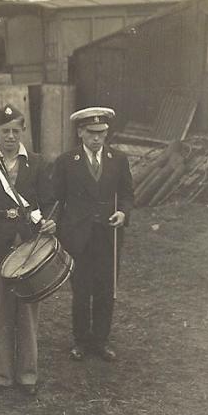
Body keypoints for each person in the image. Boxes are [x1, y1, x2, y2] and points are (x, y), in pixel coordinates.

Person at [0, 105, 56, 396]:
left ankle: (28, 375)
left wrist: (48, 224)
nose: (9, 136)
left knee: (28, 312)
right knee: (1, 312)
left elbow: (48, 202)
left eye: (15, 131)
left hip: (29, 248)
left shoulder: (37, 163)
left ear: (22, 132)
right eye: (4, 130)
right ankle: (2, 374)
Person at [51, 107, 134, 362]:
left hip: (108, 236)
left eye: (102, 133)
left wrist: (122, 213)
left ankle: (100, 340)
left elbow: (128, 194)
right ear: (80, 133)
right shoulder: (67, 161)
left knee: (105, 289)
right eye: (92, 133)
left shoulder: (118, 159)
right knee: (81, 290)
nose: (97, 138)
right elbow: (56, 198)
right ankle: (80, 340)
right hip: (78, 236)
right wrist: (57, 228)